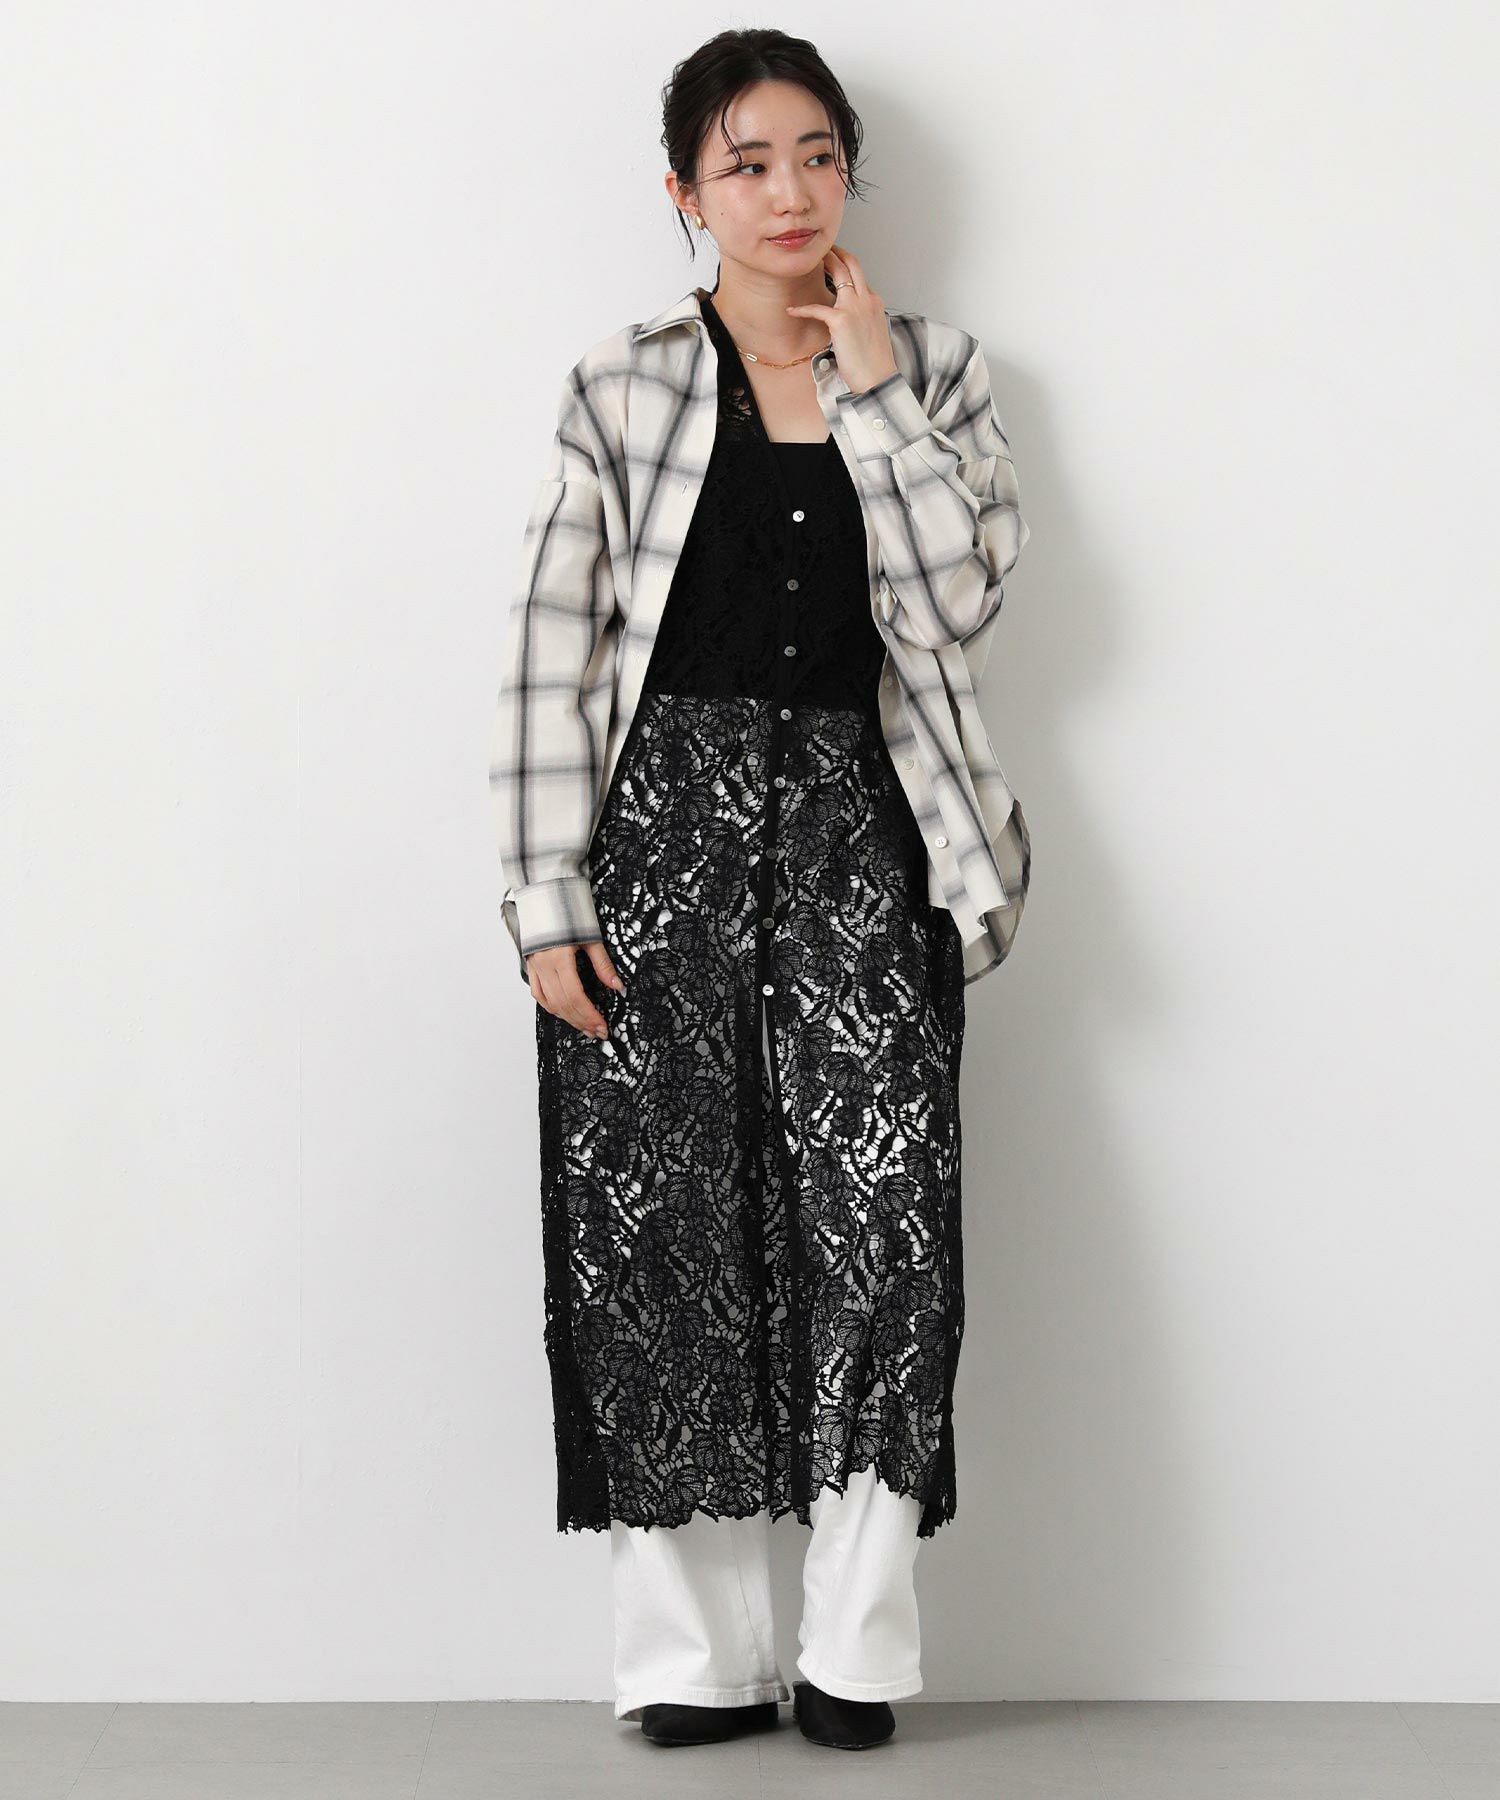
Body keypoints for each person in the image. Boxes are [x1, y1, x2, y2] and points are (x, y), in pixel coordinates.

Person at [490, 27, 1031, 1751]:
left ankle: (855, 1649)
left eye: (815, 155)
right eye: (745, 163)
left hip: (865, 835)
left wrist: (870, 394)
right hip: (657, 838)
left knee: (886, 1227)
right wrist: (544, 898)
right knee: (655, 1229)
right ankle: (693, 1658)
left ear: (848, 169)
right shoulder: (623, 383)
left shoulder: (936, 371)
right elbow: (554, 653)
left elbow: (958, 608)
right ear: (685, 192)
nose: (788, 192)